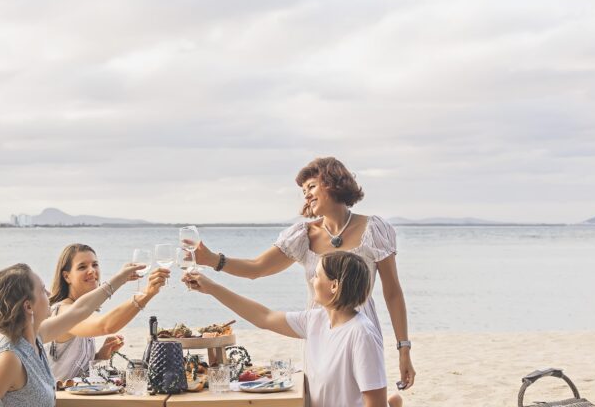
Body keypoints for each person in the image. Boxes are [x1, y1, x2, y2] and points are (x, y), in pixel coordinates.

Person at [189, 157, 415, 390]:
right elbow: (256, 268)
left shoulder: (374, 229)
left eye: (312, 186)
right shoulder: (303, 235)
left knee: (366, 393)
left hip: (362, 329)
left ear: (333, 183)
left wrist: (403, 348)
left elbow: (393, 293)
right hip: (319, 330)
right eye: (303, 190)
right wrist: (212, 260)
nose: (306, 195)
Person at [184, 251, 402, 407]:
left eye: (317, 275)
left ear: (334, 286)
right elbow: (264, 317)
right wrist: (212, 288)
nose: (311, 279)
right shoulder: (315, 320)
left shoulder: (361, 333)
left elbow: (374, 404)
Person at [0, 261, 144, 407]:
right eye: (42, 290)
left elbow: (81, 309)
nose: (49, 294)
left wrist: (120, 278)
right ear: (28, 306)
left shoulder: (36, 337)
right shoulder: (10, 358)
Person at [46, 243, 172, 381]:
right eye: (82, 267)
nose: (91, 271)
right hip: (60, 401)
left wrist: (100, 356)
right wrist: (147, 293)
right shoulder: (62, 311)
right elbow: (105, 326)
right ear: (67, 276)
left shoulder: (83, 312)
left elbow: (71, 370)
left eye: (95, 265)